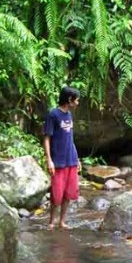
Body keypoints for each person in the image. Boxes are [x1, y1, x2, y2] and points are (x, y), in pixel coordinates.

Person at [44, 86, 81, 230]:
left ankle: (62, 222)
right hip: (58, 161)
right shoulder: (53, 115)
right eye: (76, 100)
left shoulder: (69, 115)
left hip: (70, 159)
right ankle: (51, 222)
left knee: (68, 194)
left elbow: (70, 139)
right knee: (56, 194)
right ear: (69, 100)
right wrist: (49, 160)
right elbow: (47, 138)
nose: (77, 103)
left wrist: (77, 158)